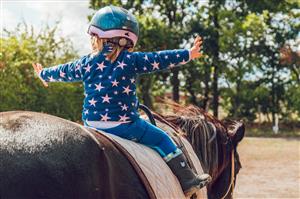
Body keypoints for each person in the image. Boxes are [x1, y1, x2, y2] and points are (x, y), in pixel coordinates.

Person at [32, 5, 211, 197]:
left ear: (97, 38)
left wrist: (44, 74)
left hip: (91, 125)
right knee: (162, 138)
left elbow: (64, 71)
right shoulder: (131, 60)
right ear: (128, 40)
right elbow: (159, 58)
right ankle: (188, 180)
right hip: (124, 125)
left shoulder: (85, 63)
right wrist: (189, 54)